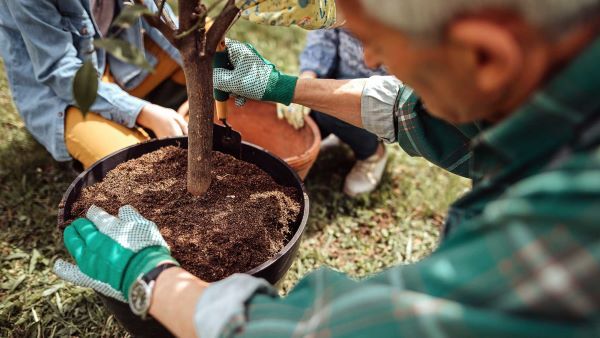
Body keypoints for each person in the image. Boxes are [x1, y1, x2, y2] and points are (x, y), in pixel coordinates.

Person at [54, 1, 600, 338]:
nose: (368, 60)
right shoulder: (560, 86)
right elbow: (428, 113)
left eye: (377, 42)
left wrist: (153, 278)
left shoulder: (572, 227)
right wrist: (283, 86)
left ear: (484, 54)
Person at [0, 0, 190, 169]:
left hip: (119, 65)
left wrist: (201, 81)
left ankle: (211, 122)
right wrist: (144, 113)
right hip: (65, 95)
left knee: (212, 50)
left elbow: (156, 17)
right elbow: (61, 73)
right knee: (137, 167)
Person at [280, 28, 389, 196]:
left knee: (330, 113)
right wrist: (309, 76)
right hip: (335, 78)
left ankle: (373, 153)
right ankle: (338, 131)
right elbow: (324, 32)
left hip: (378, 98)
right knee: (300, 121)